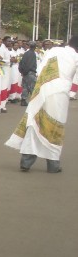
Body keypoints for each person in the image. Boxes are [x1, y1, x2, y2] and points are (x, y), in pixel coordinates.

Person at [6, 36, 78, 173]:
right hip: (60, 94)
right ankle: (53, 165)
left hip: (41, 91)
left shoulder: (54, 50)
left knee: (35, 123)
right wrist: (72, 93)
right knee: (54, 126)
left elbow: (40, 69)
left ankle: (26, 162)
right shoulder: (76, 57)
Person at [18, 41, 38, 106]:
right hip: (30, 72)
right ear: (35, 47)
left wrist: (22, 72)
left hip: (25, 73)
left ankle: (23, 100)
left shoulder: (26, 53)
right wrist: (26, 72)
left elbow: (21, 63)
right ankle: (34, 102)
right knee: (32, 87)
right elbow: (29, 64)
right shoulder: (32, 54)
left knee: (25, 87)